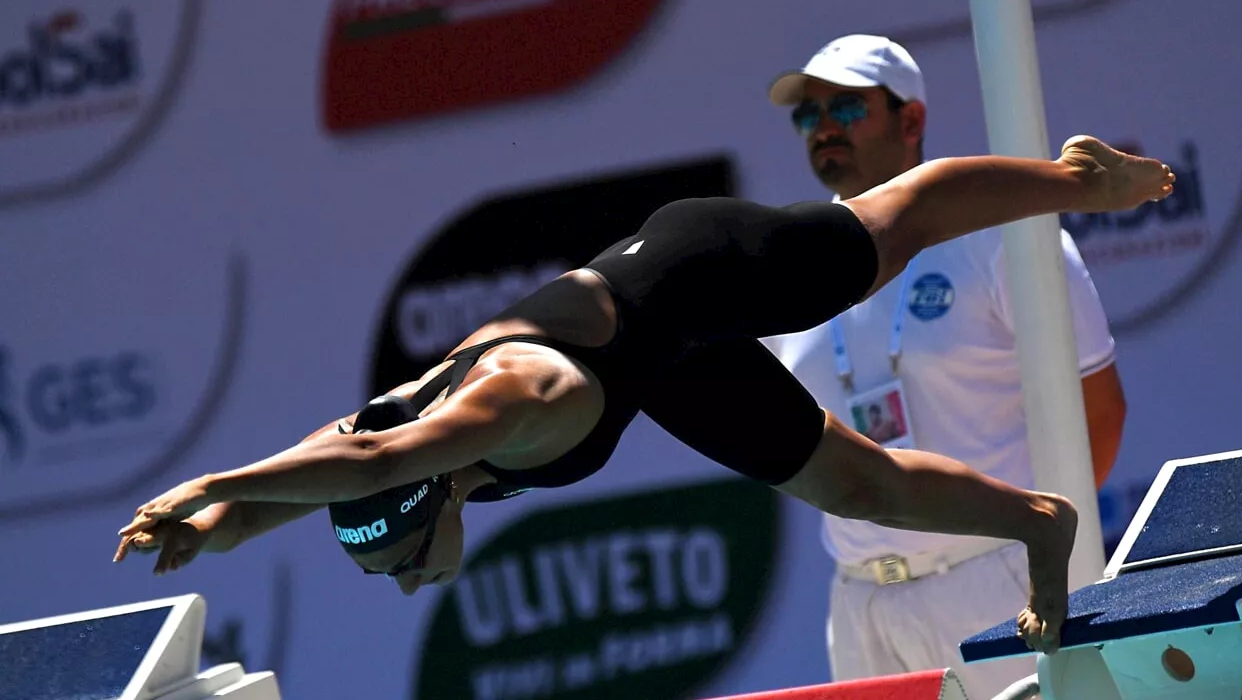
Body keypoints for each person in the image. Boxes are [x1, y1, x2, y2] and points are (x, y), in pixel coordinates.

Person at [112, 135, 1175, 656]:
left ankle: (1079, 178)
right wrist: (221, 520)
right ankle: (1039, 520)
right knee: (855, 486)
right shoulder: (399, 439)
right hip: (667, 368)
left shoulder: (503, 406)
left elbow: (368, 465)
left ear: (431, 493)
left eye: (398, 562)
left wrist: (204, 474)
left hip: (690, 268)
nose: (406, 587)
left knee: (892, 228)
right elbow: (327, 474)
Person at [761, 35, 1128, 694]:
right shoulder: (788, 261)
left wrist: (1036, 555)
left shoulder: (1003, 234)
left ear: (911, 120)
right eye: (808, 115)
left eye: (845, 109)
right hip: (860, 604)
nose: (823, 129)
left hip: (996, 579)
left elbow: (1100, 408)